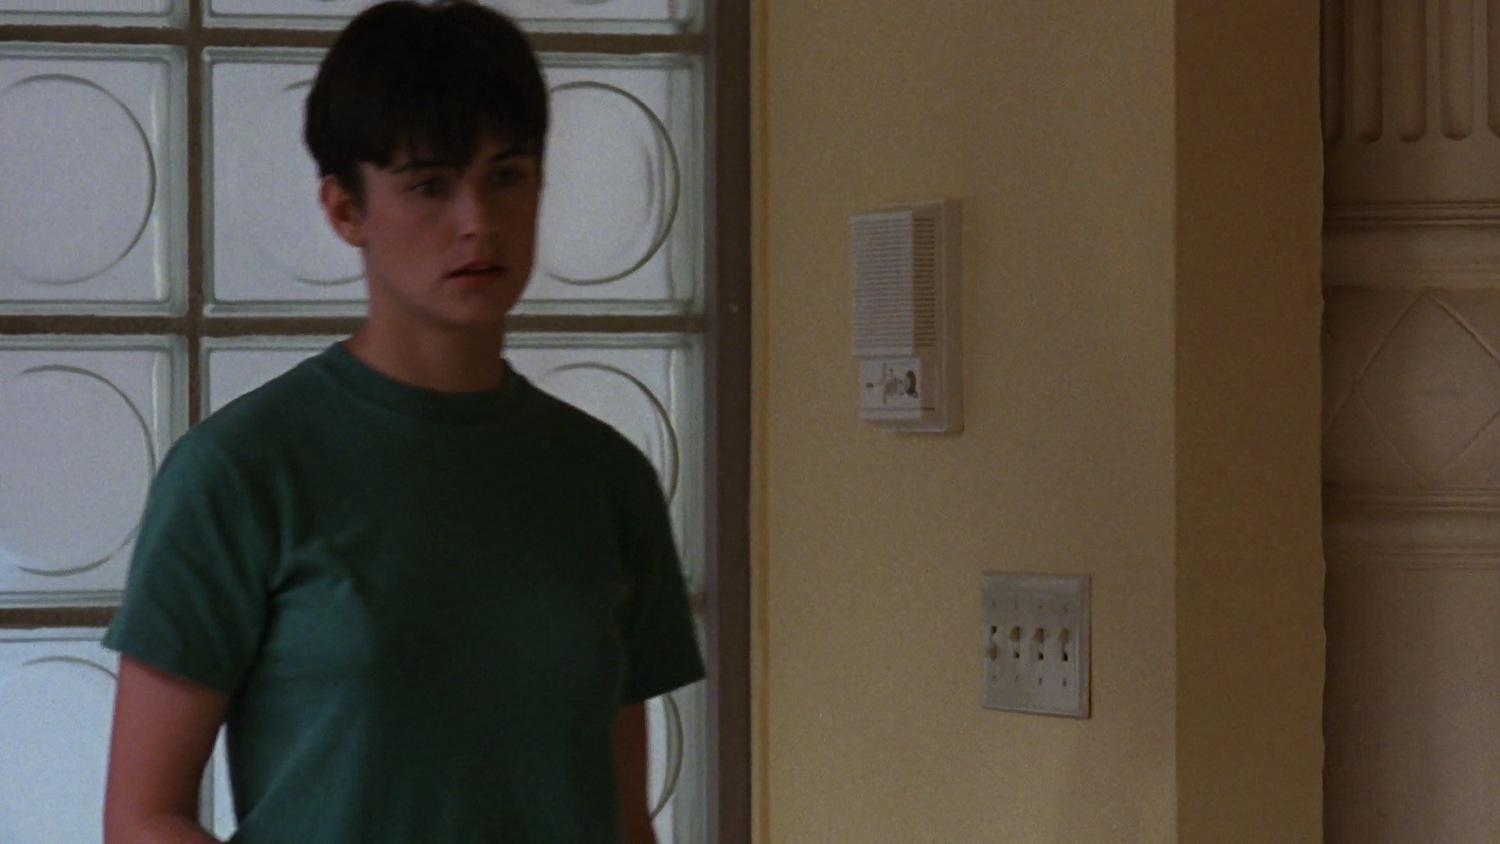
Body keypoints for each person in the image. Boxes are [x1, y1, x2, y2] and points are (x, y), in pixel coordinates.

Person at [100, 2, 705, 841]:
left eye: (507, 175)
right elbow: (143, 816)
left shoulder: (605, 478)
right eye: (428, 184)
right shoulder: (242, 470)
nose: (477, 221)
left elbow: (622, 817)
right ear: (344, 208)